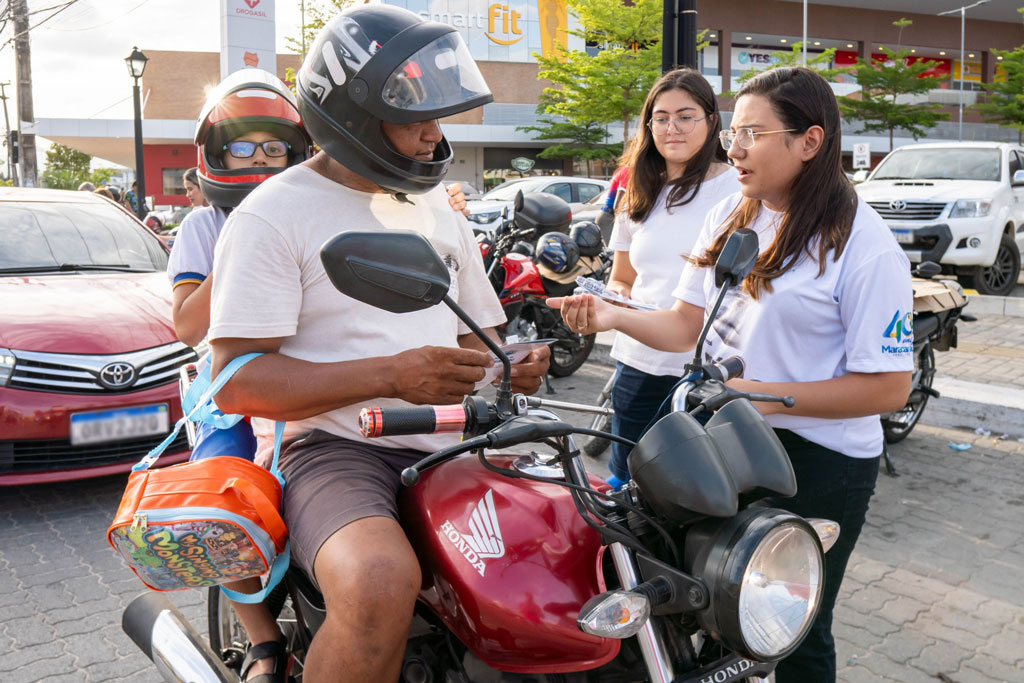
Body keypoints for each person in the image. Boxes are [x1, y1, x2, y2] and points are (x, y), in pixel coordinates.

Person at [208, 8, 549, 682]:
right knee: (376, 580)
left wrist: (509, 366)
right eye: (416, 117)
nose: (435, 135)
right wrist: (390, 374)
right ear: (353, 117)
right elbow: (237, 379)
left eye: (439, 116)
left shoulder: (435, 209)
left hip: (456, 437)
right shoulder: (274, 213)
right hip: (334, 448)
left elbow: (472, 337)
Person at [550, 67, 913, 682]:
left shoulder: (864, 245)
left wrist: (763, 399)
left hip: (819, 462)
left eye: (753, 133)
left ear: (810, 141)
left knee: (792, 627)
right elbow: (682, 327)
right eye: (734, 132)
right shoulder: (732, 212)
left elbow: (888, 388)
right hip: (725, 441)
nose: (734, 147)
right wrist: (610, 315)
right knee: (712, 614)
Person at [602, 68, 740, 491]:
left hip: (704, 371)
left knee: (688, 492)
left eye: (685, 116)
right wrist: (613, 301)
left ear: (711, 121)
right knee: (624, 481)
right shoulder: (638, 190)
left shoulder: (737, 189)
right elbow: (622, 277)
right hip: (637, 360)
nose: (671, 128)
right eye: (660, 118)